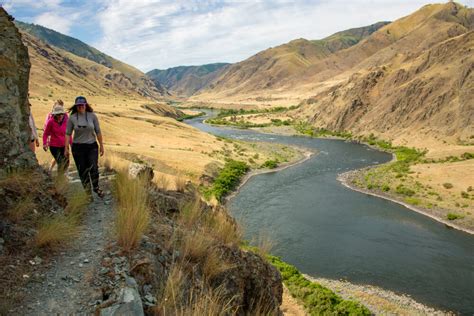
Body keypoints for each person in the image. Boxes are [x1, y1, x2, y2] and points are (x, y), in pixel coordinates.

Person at [65, 96, 105, 198]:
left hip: (92, 146)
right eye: (78, 105)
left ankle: (96, 187)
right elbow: (68, 134)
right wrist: (66, 148)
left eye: (82, 105)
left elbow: (98, 131)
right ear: (76, 106)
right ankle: (88, 193)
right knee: (82, 170)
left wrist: (101, 145)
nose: (80, 107)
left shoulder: (92, 116)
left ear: (86, 105)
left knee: (94, 167)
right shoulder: (72, 118)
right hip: (78, 148)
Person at [43, 103, 70, 175]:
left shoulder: (66, 121)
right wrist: (44, 143)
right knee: (60, 163)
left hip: (64, 145)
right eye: (58, 114)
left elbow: (68, 134)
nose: (60, 116)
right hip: (54, 146)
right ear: (54, 114)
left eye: (61, 114)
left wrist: (71, 144)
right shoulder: (51, 122)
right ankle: (60, 179)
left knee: (66, 163)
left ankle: (63, 177)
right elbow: (45, 133)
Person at [44, 100, 64, 172]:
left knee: (62, 159)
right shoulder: (50, 116)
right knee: (58, 159)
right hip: (53, 140)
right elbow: (46, 129)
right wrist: (45, 142)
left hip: (62, 141)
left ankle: (62, 174)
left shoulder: (64, 116)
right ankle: (53, 171)